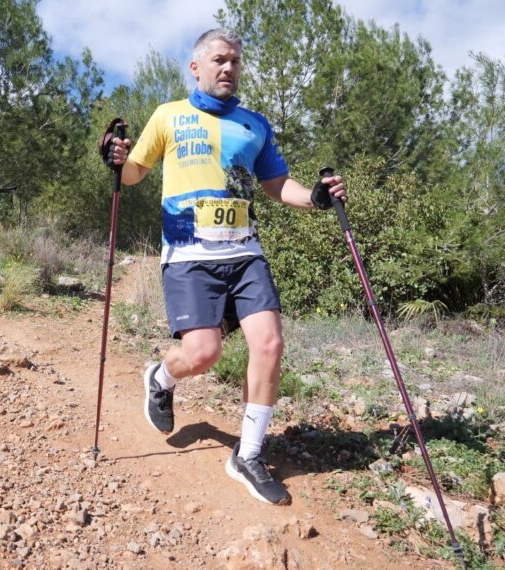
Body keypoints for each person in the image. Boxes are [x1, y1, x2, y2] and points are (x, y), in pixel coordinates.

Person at [105, 28, 346, 505]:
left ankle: (248, 455)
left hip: (244, 254)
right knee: (203, 355)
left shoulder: (254, 124)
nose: (229, 69)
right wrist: (115, 160)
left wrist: (315, 198)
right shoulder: (169, 116)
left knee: (270, 343)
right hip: (189, 257)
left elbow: (278, 184)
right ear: (196, 67)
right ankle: (161, 377)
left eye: (235, 61)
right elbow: (133, 173)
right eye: (219, 60)